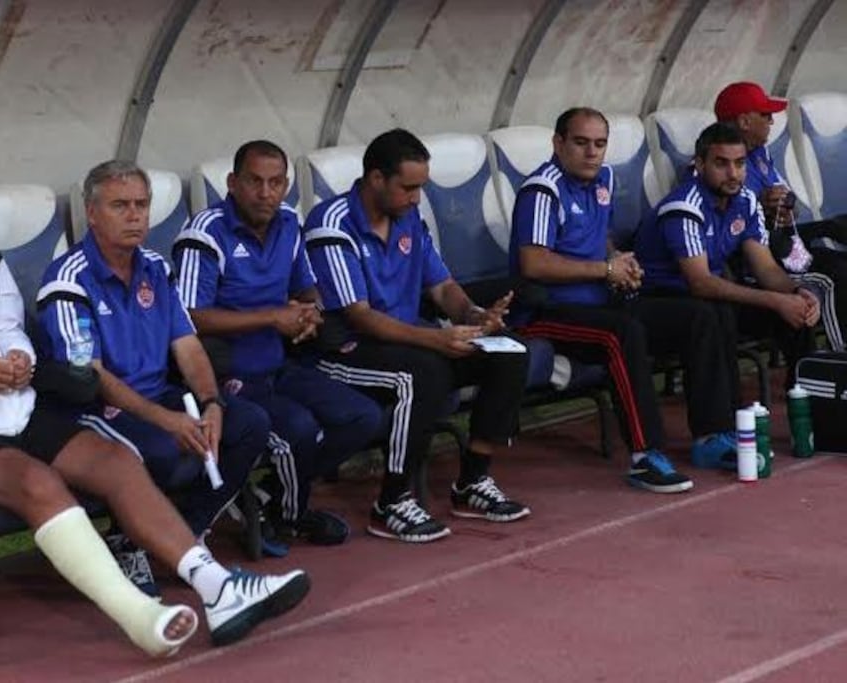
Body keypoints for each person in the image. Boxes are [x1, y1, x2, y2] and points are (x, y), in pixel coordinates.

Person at [0, 151, 308, 653]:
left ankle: (219, 588)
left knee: (116, 462)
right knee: (39, 482)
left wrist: (19, 358)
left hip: (18, 403)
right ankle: (140, 614)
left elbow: (9, 319)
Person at [33, 160, 276, 588]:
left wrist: (211, 403)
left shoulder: (156, 267)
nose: (134, 216)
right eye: (119, 205)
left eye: (141, 205)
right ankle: (127, 543)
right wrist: (166, 420)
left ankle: (186, 534)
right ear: (92, 213)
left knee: (248, 423)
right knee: (160, 450)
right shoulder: (67, 281)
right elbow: (91, 375)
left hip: (159, 395)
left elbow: (188, 345)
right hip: (96, 409)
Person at [303, 128, 531, 544]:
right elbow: (360, 317)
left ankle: (472, 484)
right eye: (408, 187)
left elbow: (442, 287)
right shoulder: (331, 225)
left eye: (420, 188)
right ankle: (391, 502)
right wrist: (437, 340)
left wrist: (475, 315)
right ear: (376, 179)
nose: (416, 198)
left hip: (405, 341)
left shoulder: (409, 219)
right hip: (347, 352)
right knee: (424, 373)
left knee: (509, 351)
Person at [173, 140, 384, 546]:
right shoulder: (204, 233)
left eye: (275, 183)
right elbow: (188, 317)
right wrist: (273, 316)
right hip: (229, 373)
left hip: (279, 363)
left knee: (363, 417)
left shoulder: (289, 221)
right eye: (255, 182)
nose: (266, 193)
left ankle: (272, 498)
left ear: (286, 185)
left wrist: (311, 313)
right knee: (298, 430)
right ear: (232, 183)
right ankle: (293, 513)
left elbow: (306, 288)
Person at [509, 106, 694, 492]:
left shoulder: (603, 179)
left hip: (598, 301)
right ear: (558, 144)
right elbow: (534, 263)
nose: (592, 153)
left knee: (698, 316)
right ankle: (646, 457)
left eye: (599, 144)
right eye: (580, 143)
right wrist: (604, 271)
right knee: (621, 333)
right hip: (545, 310)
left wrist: (617, 260)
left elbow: (600, 239)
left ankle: (717, 433)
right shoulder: (542, 190)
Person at [635, 123, 820, 442]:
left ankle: (811, 411)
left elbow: (765, 267)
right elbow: (701, 283)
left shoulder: (745, 201)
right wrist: (776, 301)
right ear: (700, 164)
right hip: (658, 301)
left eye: (740, 163)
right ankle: (714, 434)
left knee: (798, 312)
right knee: (712, 313)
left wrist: (795, 293)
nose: (733, 173)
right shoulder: (684, 207)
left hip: (707, 297)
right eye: (721, 163)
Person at [713, 81, 845, 351]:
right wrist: (759, 208)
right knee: (835, 272)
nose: (772, 121)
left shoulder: (759, 155)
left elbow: (790, 204)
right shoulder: (711, 165)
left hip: (783, 245)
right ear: (744, 121)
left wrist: (785, 207)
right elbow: (720, 225)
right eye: (765, 115)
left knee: (838, 229)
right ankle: (838, 362)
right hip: (753, 260)